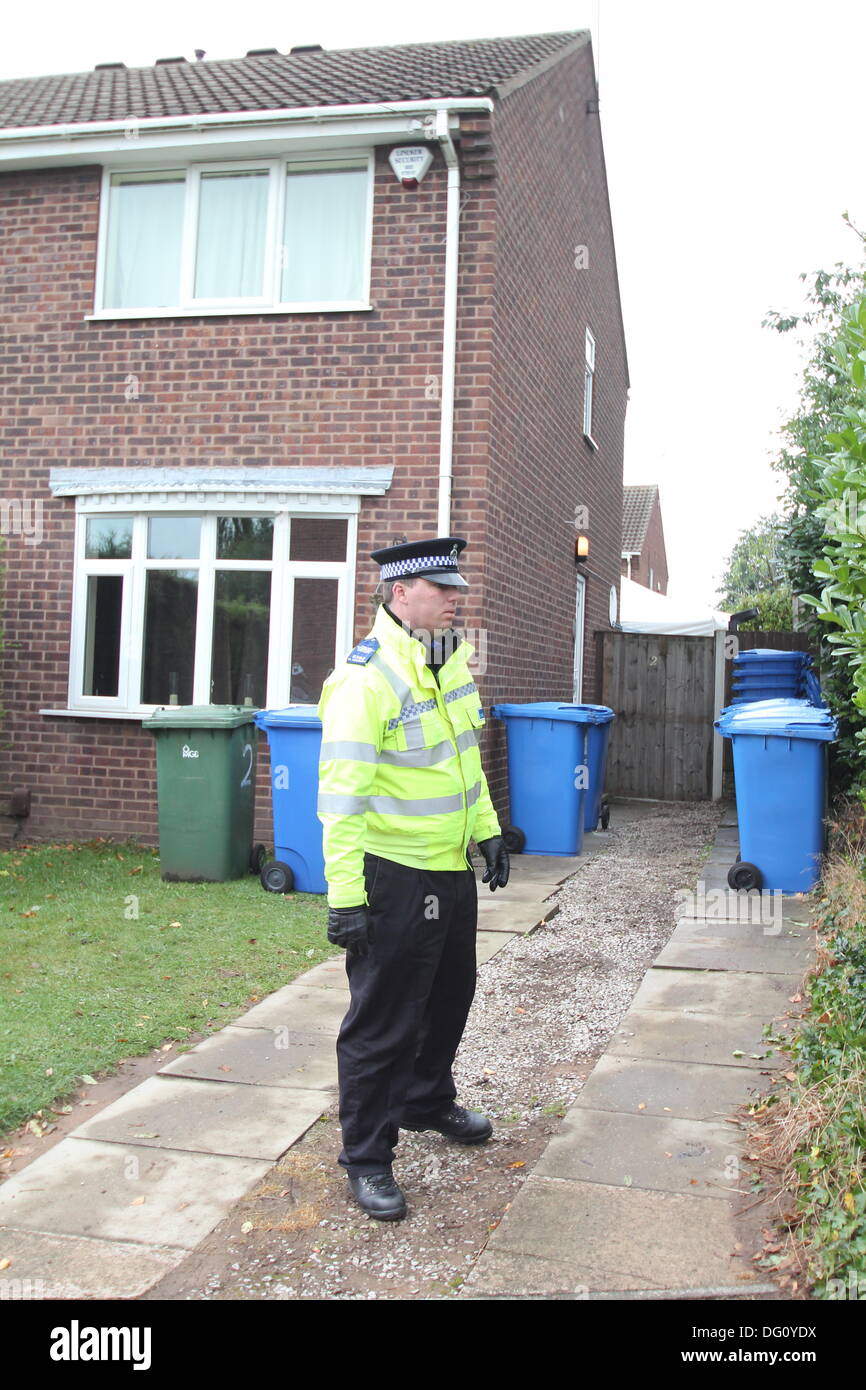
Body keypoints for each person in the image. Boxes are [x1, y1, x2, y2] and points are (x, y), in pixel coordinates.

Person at [316, 536, 510, 1220]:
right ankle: (367, 1159)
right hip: (394, 878)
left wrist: (485, 828)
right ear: (400, 594)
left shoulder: (448, 662)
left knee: (450, 997)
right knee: (382, 1024)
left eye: (457, 588)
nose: (457, 598)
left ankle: (426, 1101)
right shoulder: (364, 681)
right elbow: (339, 801)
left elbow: (464, 759)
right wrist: (346, 899)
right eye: (442, 588)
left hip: (448, 870)